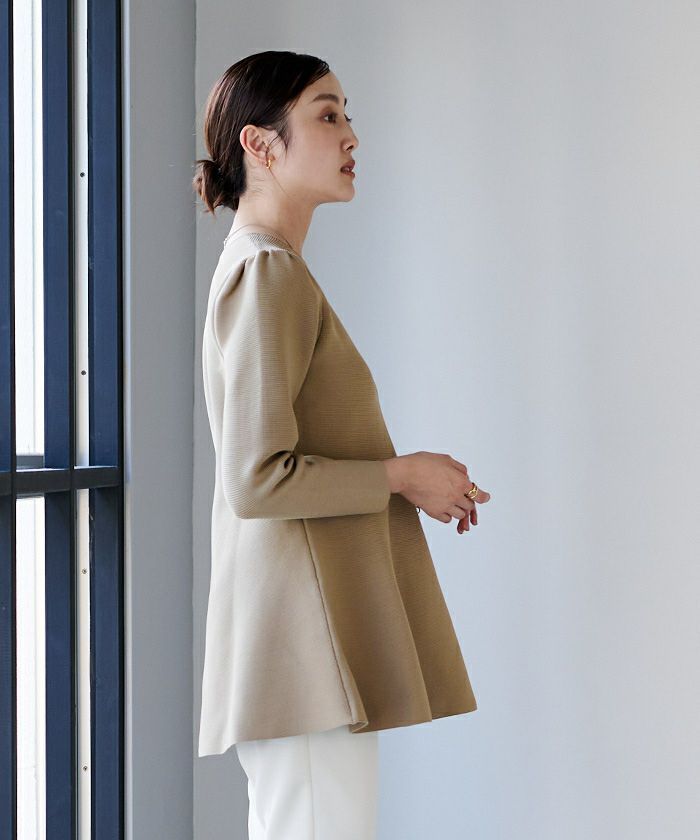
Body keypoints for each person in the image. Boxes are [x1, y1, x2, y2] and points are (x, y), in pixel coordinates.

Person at [192, 50, 491, 840]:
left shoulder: (271, 269)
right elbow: (256, 479)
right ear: (260, 144)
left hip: (303, 649)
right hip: (300, 650)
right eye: (327, 115)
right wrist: (400, 475)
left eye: (347, 114)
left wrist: (405, 478)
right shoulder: (268, 273)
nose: (351, 134)